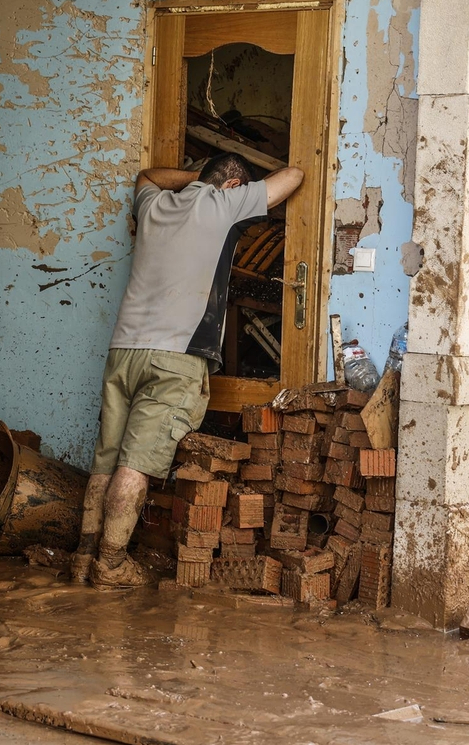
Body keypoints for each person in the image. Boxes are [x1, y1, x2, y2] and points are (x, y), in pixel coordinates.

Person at [71, 153, 305, 590]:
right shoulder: (224, 203)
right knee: (136, 465)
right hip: (174, 356)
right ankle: (111, 563)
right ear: (232, 185)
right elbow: (293, 175)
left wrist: (196, 177)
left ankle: (83, 558)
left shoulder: (154, 204)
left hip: (123, 350)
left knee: (105, 461)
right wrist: (218, 188)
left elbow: (147, 176)